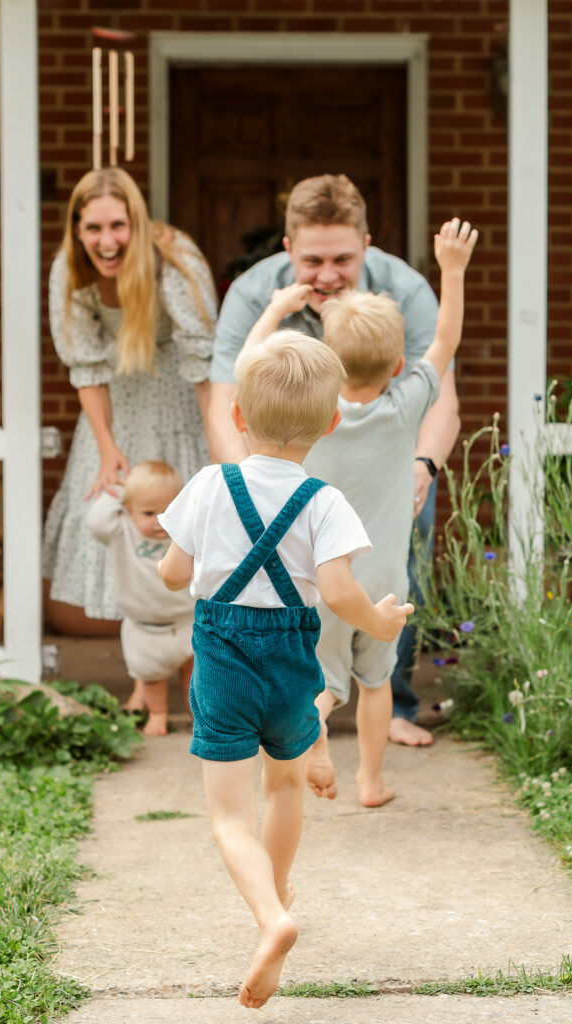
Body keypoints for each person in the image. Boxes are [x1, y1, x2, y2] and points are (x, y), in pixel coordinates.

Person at [157, 328, 412, 1009]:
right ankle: (279, 888)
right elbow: (336, 593)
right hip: (292, 663)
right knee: (287, 789)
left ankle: (271, 916)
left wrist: (176, 563)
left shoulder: (211, 485)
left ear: (236, 413)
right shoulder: (324, 501)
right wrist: (379, 623)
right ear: (329, 423)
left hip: (225, 663)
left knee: (228, 818)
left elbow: (174, 572)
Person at [206, 173, 460, 747]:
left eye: (342, 259)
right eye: (313, 259)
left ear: (367, 244)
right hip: (291, 468)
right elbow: (225, 399)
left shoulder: (405, 290)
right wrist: (247, 489)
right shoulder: (253, 293)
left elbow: (444, 402)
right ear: (288, 248)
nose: (327, 275)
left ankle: (391, 701)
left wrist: (423, 469)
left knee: (403, 536)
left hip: (387, 466)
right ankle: (301, 691)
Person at [246, 218, 477, 805]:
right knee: (375, 682)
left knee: (320, 679)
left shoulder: (316, 409)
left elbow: (250, 366)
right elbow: (445, 341)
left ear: (327, 360)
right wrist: (452, 270)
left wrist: (275, 311)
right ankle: (370, 781)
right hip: (382, 580)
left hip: (320, 579)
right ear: (399, 364)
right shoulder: (406, 405)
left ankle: (317, 723)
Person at [42, 167, 217, 635]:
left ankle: (190, 656)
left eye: (117, 226)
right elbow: (86, 367)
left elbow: (203, 363)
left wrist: (218, 448)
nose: (106, 241)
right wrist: (106, 445)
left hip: (176, 394)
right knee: (109, 514)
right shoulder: (70, 269)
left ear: (136, 224)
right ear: (77, 229)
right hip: (114, 404)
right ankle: (140, 662)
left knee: (181, 515)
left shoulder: (174, 260)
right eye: (93, 228)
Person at [86, 460, 193, 736]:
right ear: (128, 509)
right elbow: (95, 522)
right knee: (151, 676)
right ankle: (158, 714)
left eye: (168, 511)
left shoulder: (184, 531)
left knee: (195, 673)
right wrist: (120, 492)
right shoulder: (122, 530)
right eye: (148, 512)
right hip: (145, 626)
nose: (160, 521)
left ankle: (199, 715)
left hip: (186, 619)